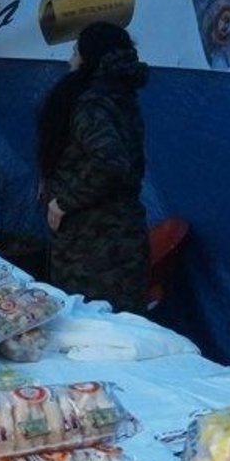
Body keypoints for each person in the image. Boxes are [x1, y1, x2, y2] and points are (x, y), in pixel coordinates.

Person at [36, 21, 150, 314]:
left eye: (75, 51)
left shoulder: (93, 103)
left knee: (90, 325)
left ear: (89, 57)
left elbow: (110, 163)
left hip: (95, 249)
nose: (70, 60)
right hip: (116, 241)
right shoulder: (119, 95)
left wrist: (63, 202)